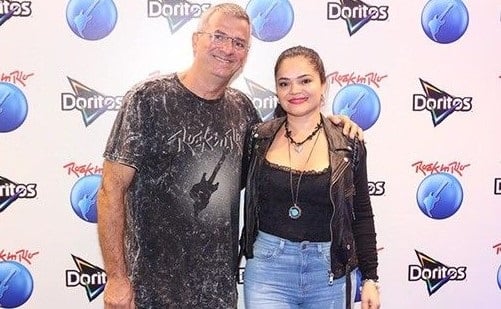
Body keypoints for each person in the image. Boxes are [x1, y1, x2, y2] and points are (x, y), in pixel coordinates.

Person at [97, 4, 363, 308]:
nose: (227, 48)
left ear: (245, 54)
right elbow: (110, 190)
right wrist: (117, 277)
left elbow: (293, 127)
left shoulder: (243, 110)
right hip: (151, 288)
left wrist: (332, 125)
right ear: (196, 40)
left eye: (239, 43)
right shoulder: (148, 99)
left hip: (218, 292)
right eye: (219, 36)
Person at [240, 46, 380, 309]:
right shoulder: (257, 139)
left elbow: (361, 213)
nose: (295, 91)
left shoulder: (348, 143)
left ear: (323, 86)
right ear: (277, 91)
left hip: (329, 273)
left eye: (305, 80)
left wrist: (370, 277)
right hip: (269, 271)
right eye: (285, 83)